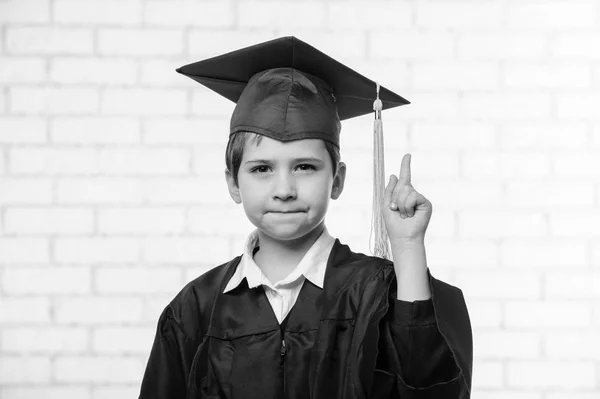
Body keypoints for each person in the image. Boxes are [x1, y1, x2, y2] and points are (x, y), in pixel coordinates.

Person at [139, 36, 472, 399]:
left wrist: (407, 247)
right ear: (233, 184)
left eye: (304, 167)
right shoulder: (196, 309)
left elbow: (427, 388)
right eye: (262, 168)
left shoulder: (375, 294)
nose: (284, 189)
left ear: (338, 180)